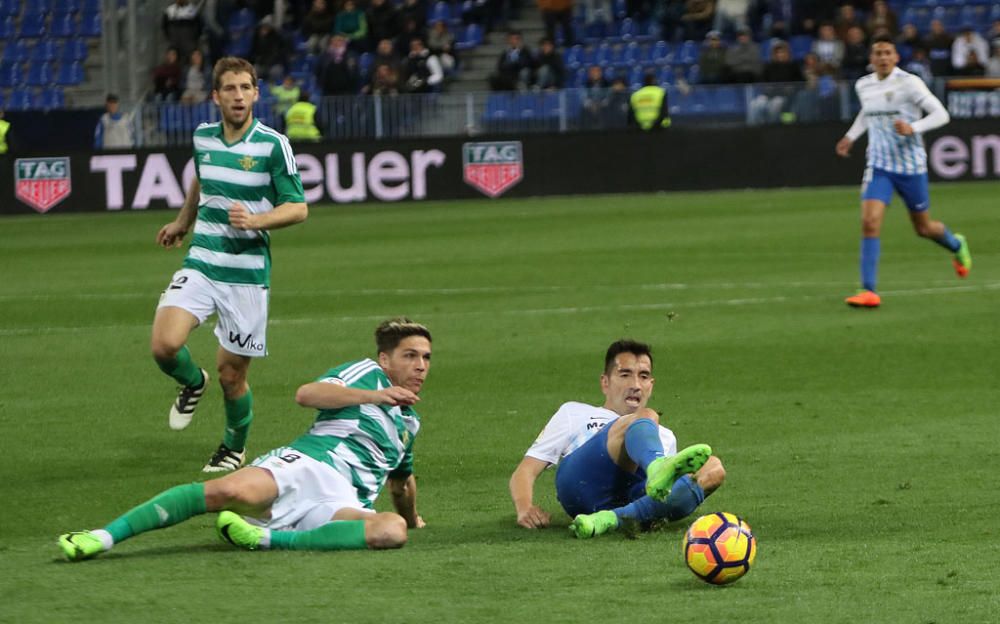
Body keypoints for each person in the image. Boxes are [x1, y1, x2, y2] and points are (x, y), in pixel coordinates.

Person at [58, 318, 432, 561]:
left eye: (426, 358)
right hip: (307, 466)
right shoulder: (366, 375)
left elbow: (401, 482)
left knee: (391, 531)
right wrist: (375, 396)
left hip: (340, 503)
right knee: (225, 493)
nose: (420, 365)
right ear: (385, 359)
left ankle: (266, 539)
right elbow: (307, 394)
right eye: (410, 355)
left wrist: (412, 517)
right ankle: (103, 536)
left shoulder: (408, 424)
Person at [152, 56, 308, 471]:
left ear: (256, 94)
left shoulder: (274, 145)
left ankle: (233, 447)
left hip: (247, 273)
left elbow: (298, 207)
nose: (238, 96)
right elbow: (202, 179)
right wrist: (183, 222)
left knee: (231, 376)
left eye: (245, 88)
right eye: (230, 89)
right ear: (215, 96)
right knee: (164, 345)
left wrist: (257, 220)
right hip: (203, 260)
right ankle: (191, 381)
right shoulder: (202, 137)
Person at [509, 340, 723, 539]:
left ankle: (610, 520)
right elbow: (526, 469)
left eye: (644, 376)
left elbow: (672, 492)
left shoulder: (665, 436)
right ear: (605, 382)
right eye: (625, 374)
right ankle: (657, 467)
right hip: (582, 483)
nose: (636, 385)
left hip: (630, 496)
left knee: (713, 468)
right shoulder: (574, 412)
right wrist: (524, 506)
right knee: (646, 416)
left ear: (651, 384)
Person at [835, 36, 971, 309]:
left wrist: (914, 128)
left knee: (923, 228)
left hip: (910, 167)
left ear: (896, 58)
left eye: (888, 53)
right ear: (871, 60)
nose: (883, 57)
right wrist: (851, 136)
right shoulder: (864, 85)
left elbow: (941, 114)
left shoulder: (909, 83)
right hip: (879, 165)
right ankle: (868, 290)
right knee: (870, 222)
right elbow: (868, 113)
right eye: (878, 53)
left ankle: (956, 244)